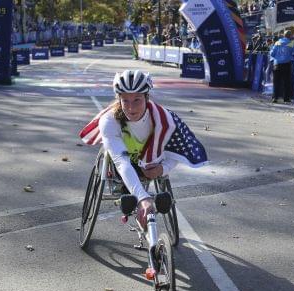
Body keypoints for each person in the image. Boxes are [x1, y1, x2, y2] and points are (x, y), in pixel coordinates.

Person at [79, 70, 208, 225]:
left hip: (151, 163)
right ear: (118, 99)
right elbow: (121, 162)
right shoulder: (109, 121)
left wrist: (162, 169)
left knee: (152, 178)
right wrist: (143, 198)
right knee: (128, 190)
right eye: (125, 100)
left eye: (137, 100)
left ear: (147, 97)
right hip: (122, 164)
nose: (131, 108)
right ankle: (132, 196)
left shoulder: (166, 120)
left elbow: (174, 154)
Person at [270, 30, 293, 103]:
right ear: (290, 36)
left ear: (284, 35)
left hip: (277, 64)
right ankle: (286, 98)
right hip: (286, 64)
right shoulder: (291, 43)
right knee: (286, 82)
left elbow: (272, 53)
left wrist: (278, 57)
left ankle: (275, 98)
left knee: (276, 82)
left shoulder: (277, 42)